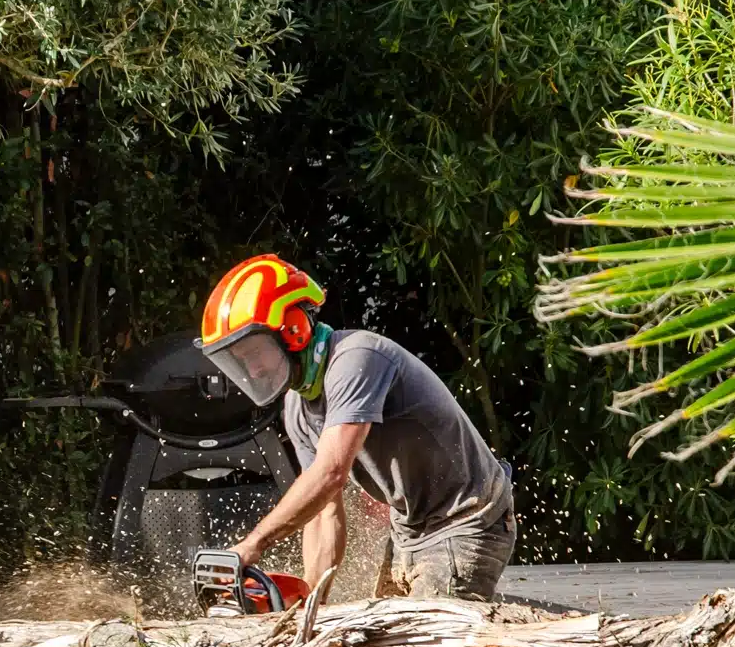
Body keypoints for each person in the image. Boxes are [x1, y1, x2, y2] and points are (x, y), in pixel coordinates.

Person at [196, 254, 515, 600]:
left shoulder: (356, 359)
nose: (254, 370)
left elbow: (331, 473)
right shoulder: (298, 406)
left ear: (293, 329)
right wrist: (310, 601)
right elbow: (324, 510)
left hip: (466, 519)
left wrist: (254, 543)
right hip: (409, 529)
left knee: (422, 632)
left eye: (255, 352)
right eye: (244, 360)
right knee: (382, 628)